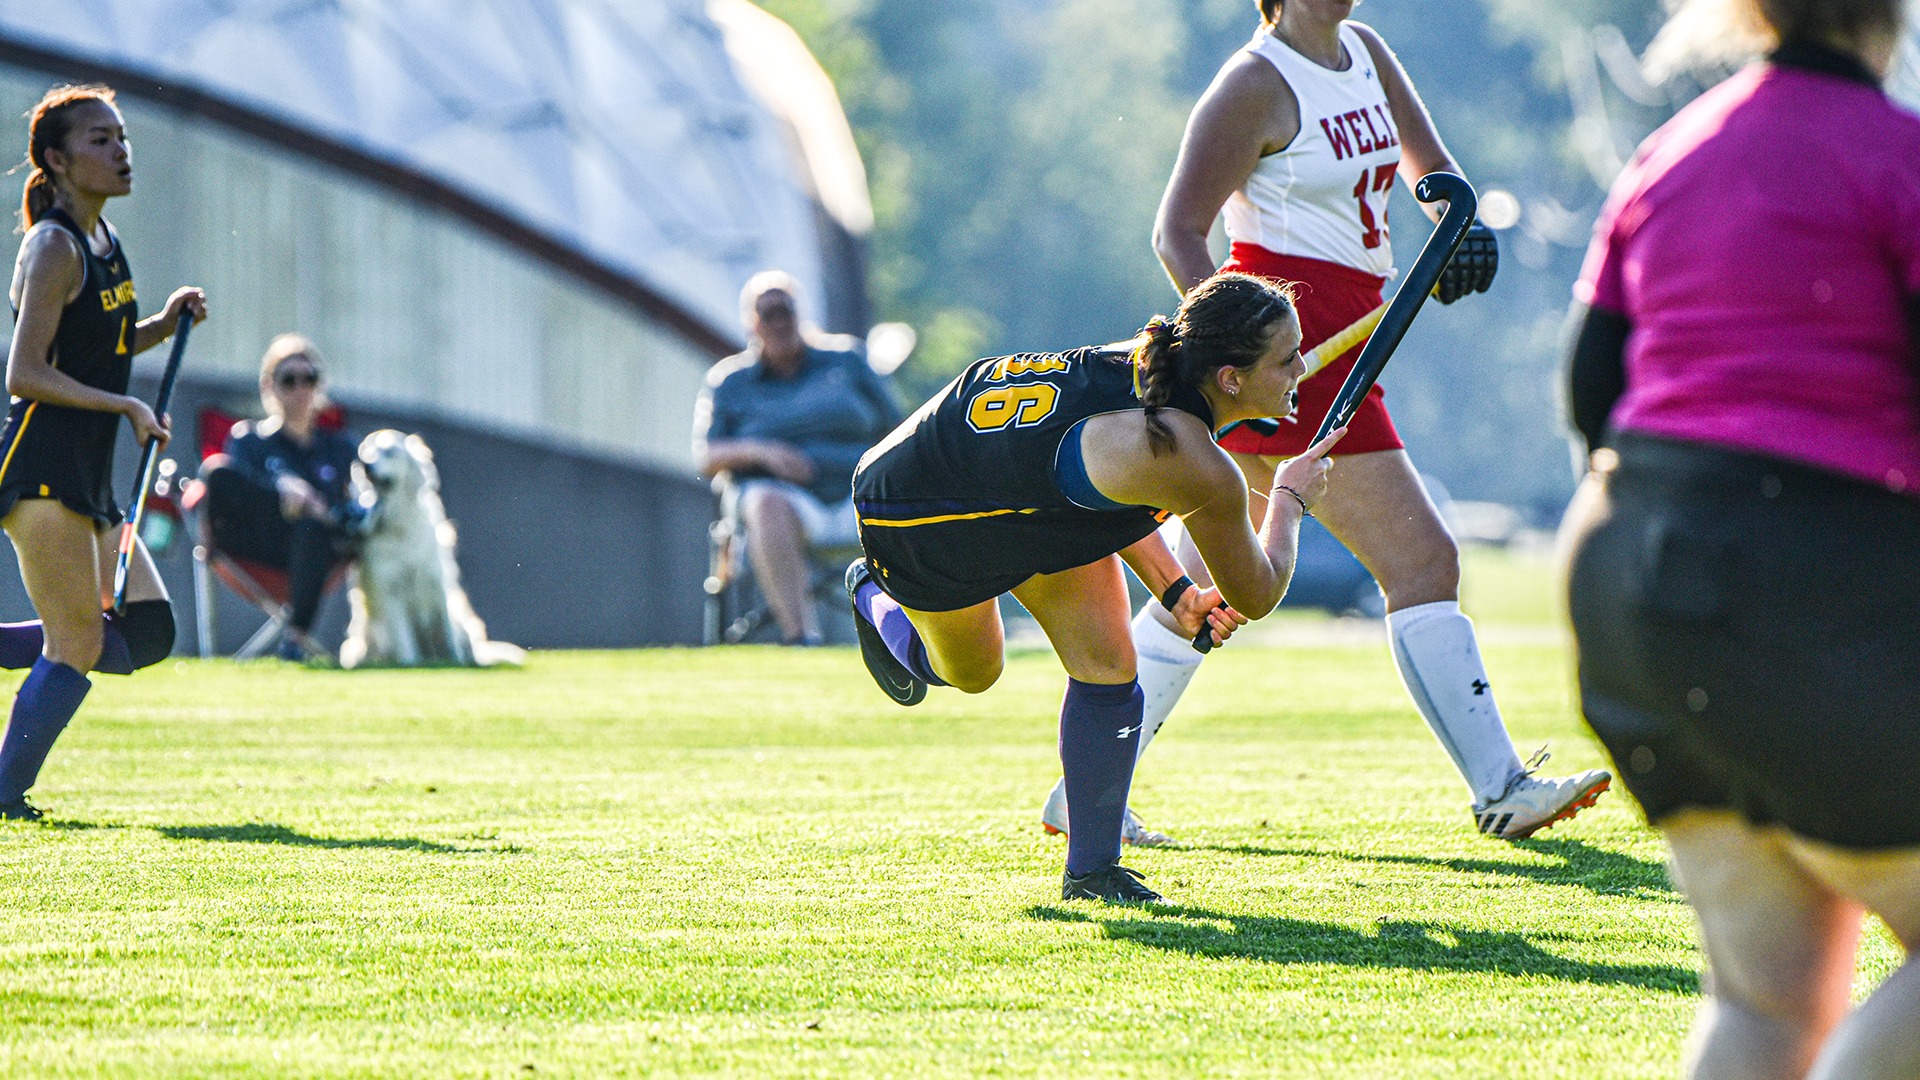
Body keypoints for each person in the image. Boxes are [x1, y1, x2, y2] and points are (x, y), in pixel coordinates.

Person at [1037, 0, 1609, 846]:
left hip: (1341, 345)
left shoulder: (1366, 51)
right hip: (1283, 362)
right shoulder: (1252, 84)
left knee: (1205, 594)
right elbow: (1177, 230)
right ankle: (1501, 787)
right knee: (1423, 561)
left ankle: (1083, 796)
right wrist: (1229, 355)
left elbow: (1435, 176)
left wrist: (1458, 234)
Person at [1563, 0, 1920, 1075]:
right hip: (1799, 583)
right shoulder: (1893, 155)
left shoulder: (1674, 152)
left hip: (1631, 588)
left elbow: (1592, 389)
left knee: (1763, 1000)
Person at [849, 272, 1344, 904]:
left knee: (1110, 664)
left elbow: (1103, 499)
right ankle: (873, 595)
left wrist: (1177, 594)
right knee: (972, 673)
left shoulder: (1160, 366)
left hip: (1025, 505)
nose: (1303, 367)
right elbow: (1257, 592)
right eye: (1288, 358)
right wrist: (1291, 497)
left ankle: (1092, 872)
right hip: (918, 511)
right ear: (1230, 379)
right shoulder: (1197, 461)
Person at [0, 85, 206, 821]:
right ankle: (5, 793)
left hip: (87, 468)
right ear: (56, 160)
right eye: (99, 140)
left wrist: (161, 322)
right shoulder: (52, 244)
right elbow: (23, 374)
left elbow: (101, 345)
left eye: (121, 138)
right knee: (78, 637)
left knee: (146, 631)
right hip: (42, 465)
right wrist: (123, 404)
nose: (120, 152)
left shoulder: (103, 240)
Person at [693, 271, 903, 645]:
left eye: (785, 311)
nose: (779, 322)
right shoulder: (730, 382)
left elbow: (901, 430)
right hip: (787, 506)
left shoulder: (847, 361)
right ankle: (802, 636)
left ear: (799, 314)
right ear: (751, 323)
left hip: (859, 500)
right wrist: (762, 452)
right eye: (768, 313)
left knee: (907, 487)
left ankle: (915, 633)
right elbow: (706, 456)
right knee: (765, 502)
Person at [198, 334, 359, 661]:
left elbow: (354, 509)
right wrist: (281, 493)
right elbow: (232, 493)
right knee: (217, 473)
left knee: (315, 529)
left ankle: (295, 642)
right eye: (289, 380)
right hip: (256, 542)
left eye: (308, 379)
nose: (300, 389)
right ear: (269, 386)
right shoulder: (248, 440)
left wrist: (316, 508)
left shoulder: (341, 448)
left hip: (314, 549)